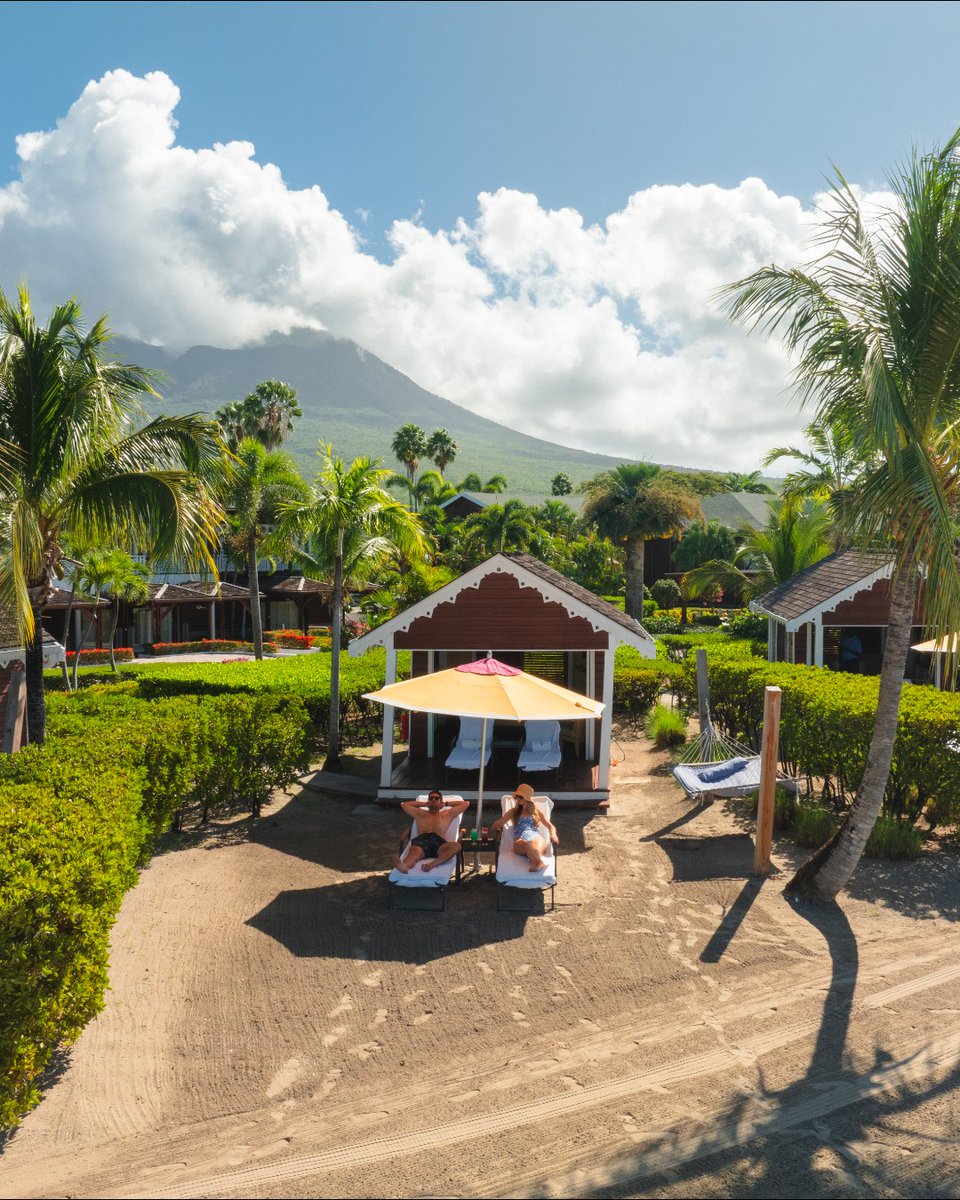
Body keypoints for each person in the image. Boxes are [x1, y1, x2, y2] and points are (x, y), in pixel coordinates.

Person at [393, 789, 469, 873]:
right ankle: (404, 867)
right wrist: (424, 804)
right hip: (422, 842)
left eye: (436, 798)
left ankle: (431, 864)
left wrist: (446, 804)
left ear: (440, 801)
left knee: (456, 846)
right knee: (413, 852)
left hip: (439, 843)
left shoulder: (447, 814)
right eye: (431, 798)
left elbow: (466, 803)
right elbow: (404, 804)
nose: (433, 800)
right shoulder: (420, 813)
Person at [492, 782, 559, 872]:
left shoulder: (536, 812)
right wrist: (496, 825)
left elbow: (550, 826)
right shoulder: (513, 812)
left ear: (527, 799)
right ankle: (539, 863)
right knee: (528, 845)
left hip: (536, 837)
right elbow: (499, 822)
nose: (518, 799)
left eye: (521, 797)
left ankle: (536, 862)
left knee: (536, 851)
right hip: (521, 839)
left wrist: (553, 834)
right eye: (517, 797)